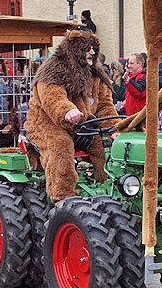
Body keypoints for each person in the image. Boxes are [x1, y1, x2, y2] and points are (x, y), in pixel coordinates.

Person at [24, 30, 118, 202]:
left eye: (93, 49)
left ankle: (110, 191)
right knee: (60, 145)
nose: (91, 53)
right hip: (47, 123)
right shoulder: (53, 70)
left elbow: (105, 106)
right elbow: (53, 96)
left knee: (106, 147)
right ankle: (63, 197)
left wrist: (113, 128)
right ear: (75, 50)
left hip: (82, 126)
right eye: (87, 49)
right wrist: (67, 111)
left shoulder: (95, 76)